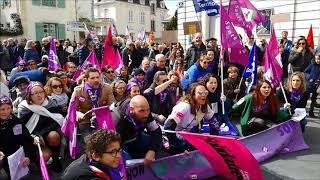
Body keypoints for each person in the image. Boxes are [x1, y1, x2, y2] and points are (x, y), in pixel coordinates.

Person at [17, 82, 64, 172]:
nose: (39, 95)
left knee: (54, 136)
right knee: (45, 155)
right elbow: (23, 129)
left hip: (46, 134)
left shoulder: (51, 103)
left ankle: (55, 158)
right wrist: (35, 136)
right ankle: (37, 163)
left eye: (41, 92)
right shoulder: (24, 108)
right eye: (35, 93)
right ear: (29, 96)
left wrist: (41, 134)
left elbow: (57, 121)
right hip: (32, 137)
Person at [164, 83, 214, 153]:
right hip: (173, 135)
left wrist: (215, 140)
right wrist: (179, 148)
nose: (204, 95)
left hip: (187, 133)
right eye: (200, 93)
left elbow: (213, 122)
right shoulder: (184, 107)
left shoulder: (204, 106)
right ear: (192, 95)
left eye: (205, 92)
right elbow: (168, 127)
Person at [113, 95, 162, 164]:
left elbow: (156, 131)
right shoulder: (117, 118)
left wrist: (152, 150)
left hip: (135, 137)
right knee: (127, 163)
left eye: (148, 110)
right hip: (120, 142)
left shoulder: (146, 113)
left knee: (158, 143)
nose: (146, 115)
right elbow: (113, 144)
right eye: (142, 111)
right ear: (132, 109)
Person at [72, 68, 114, 140]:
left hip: (103, 118)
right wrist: (79, 114)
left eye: (97, 77)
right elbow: (73, 110)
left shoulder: (107, 88)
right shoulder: (78, 91)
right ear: (86, 79)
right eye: (92, 78)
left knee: (108, 139)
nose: (96, 80)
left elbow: (112, 105)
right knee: (89, 140)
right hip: (86, 120)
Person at [0, 95, 36, 178]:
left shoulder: (15, 121)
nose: (6, 112)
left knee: (26, 175)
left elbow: (25, 138)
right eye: (2, 109)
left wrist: (27, 156)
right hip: (2, 155)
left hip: (16, 155)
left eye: (8, 108)